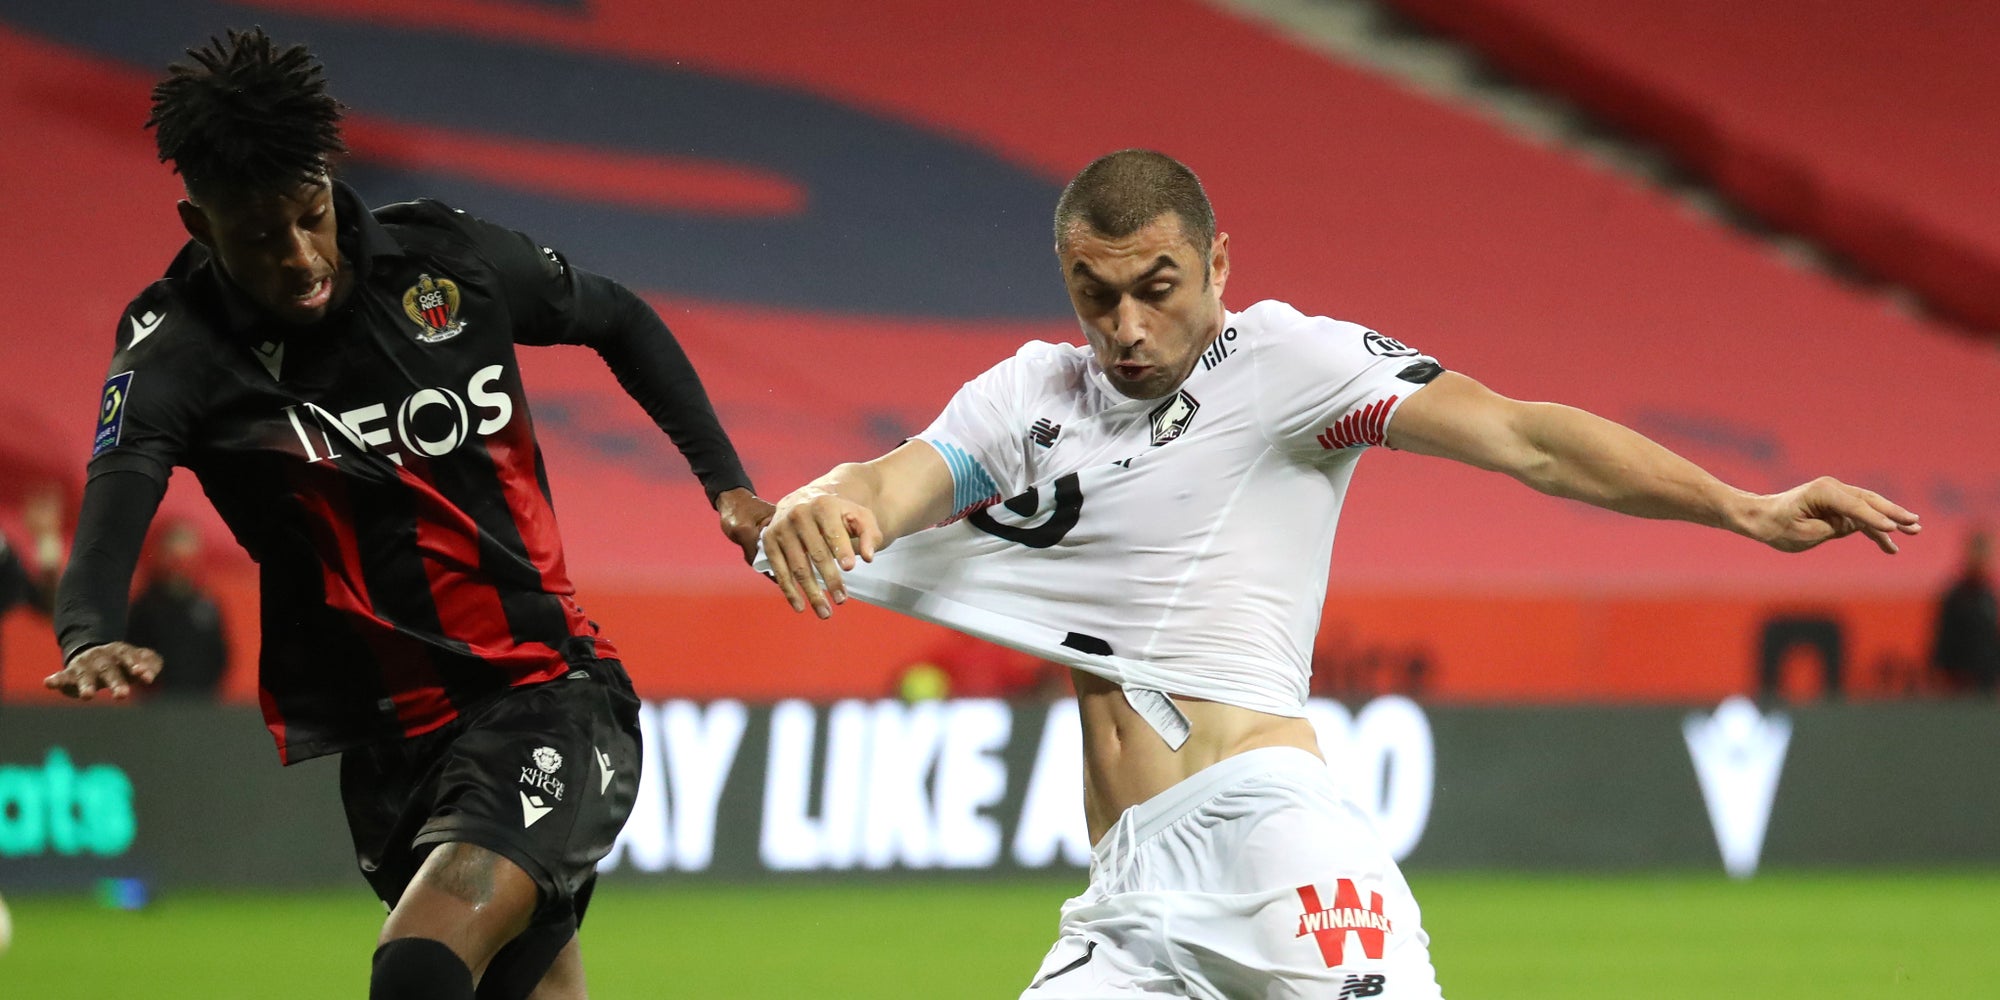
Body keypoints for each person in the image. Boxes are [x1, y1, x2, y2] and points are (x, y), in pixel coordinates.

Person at [759, 149, 1921, 998]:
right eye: (1093, 291)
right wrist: (832, 502)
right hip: (1127, 889)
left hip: (1269, 836)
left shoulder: (1284, 363)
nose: (1123, 324)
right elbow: (898, 482)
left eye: (1156, 286)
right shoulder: (1027, 394)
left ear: (1216, 263)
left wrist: (1740, 505)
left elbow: (1523, 436)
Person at [44, 29, 771, 1000]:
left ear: (330, 178)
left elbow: (617, 316)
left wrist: (723, 482)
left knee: (418, 967)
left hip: (548, 695)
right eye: (261, 237)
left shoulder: (445, 263)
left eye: (310, 216)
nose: (301, 257)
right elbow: (122, 474)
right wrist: (89, 625)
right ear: (200, 223)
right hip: (386, 747)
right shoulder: (176, 346)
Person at [126, 520, 229, 700]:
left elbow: (220, 653)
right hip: (156, 702)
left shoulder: (206, 603)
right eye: (175, 555)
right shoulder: (145, 604)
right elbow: (132, 649)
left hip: (201, 700)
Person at [1930, 530, 1998, 696]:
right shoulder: (1957, 595)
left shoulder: (1988, 594)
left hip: (1986, 680)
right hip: (1960, 681)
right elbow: (1943, 638)